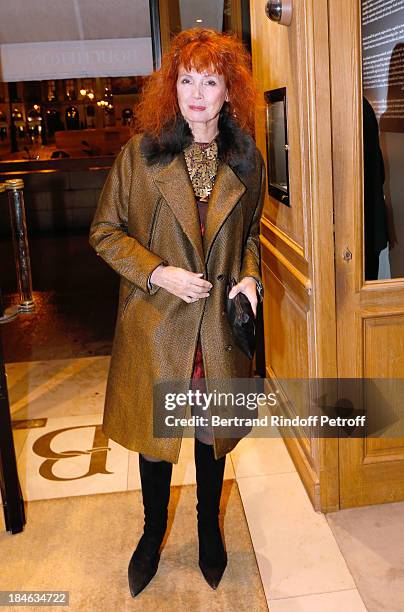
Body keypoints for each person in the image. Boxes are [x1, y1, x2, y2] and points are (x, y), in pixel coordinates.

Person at [89, 27, 265, 597]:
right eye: (186, 79)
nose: (196, 93)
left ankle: (208, 531)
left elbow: (251, 235)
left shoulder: (246, 159)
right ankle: (149, 534)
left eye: (209, 81)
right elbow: (104, 231)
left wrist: (250, 277)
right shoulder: (139, 157)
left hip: (214, 325)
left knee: (211, 437)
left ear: (227, 93)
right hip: (159, 319)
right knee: (156, 438)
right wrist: (158, 271)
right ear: (173, 88)